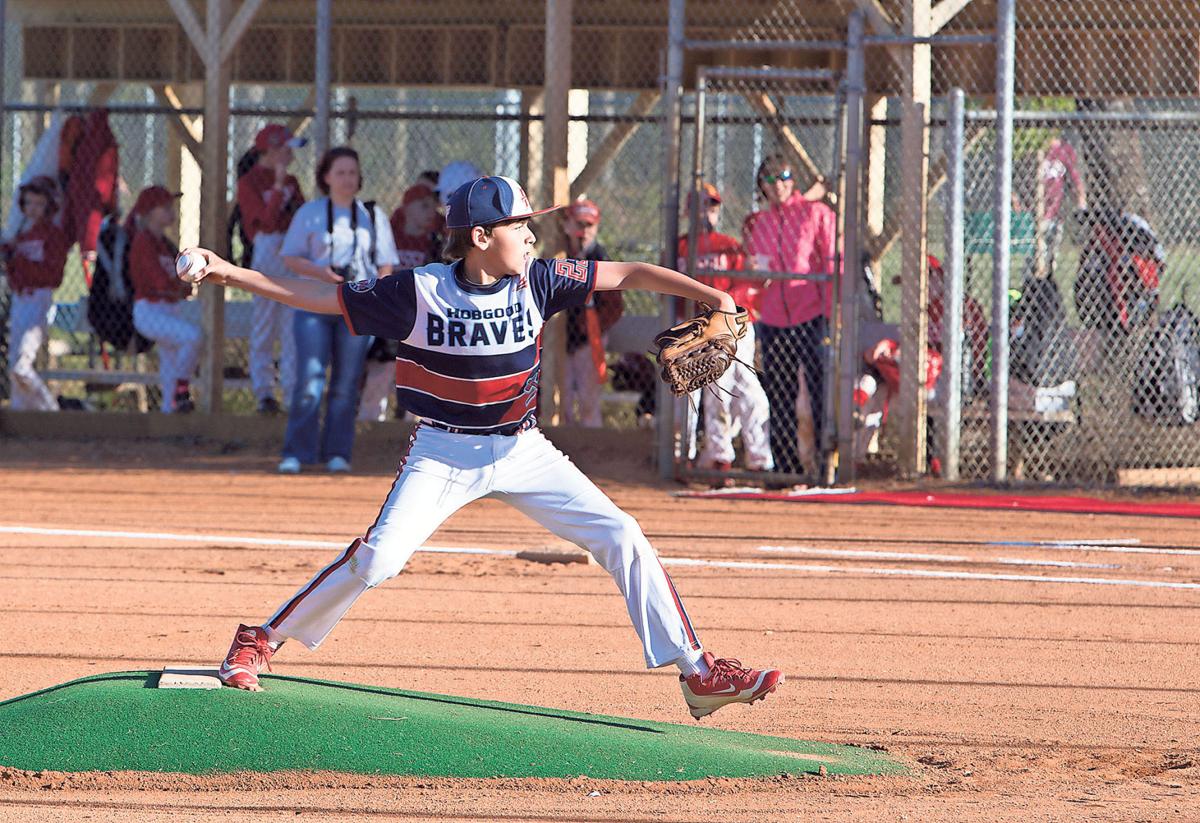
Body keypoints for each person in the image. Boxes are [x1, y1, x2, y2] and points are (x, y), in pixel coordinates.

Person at [183, 175, 784, 720]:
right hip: (442, 453)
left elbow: (628, 273)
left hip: (523, 449)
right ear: (479, 236)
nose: (530, 236)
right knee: (379, 559)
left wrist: (713, 297)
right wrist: (228, 272)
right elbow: (320, 297)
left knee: (621, 533)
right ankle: (262, 638)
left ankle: (698, 672)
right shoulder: (418, 290)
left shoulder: (540, 280)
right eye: (518, 225)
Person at [278, 146, 399, 473]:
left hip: (356, 306)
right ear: (326, 177)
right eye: (340, 172)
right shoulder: (310, 213)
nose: (347, 179)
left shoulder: (372, 214)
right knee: (310, 379)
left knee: (346, 383)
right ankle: (298, 452)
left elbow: (386, 262)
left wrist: (376, 293)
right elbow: (290, 257)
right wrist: (321, 272)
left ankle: (338, 453)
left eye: (352, 172)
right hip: (315, 302)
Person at [744, 155, 838, 477]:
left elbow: (831, 262)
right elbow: (757, 268)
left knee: (819, 392)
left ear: (793, 180)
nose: (778, 185)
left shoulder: (815, 213)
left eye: (783, 177)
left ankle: (824, 467)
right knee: (779, 394)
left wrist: (831, 310)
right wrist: (757, 273)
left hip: (811, 314)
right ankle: (786, 468)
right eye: (770, 180)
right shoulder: (761, 222)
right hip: (773, 318)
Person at [677, 183, 772, 472]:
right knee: (703, 391)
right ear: (688, 212)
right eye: (700, 207)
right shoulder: (680, 247)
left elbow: (746, 288)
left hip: (732, 325)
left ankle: (757, 459)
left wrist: (724, 313)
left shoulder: (729, 245)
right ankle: (707, 457)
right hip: (694, 326)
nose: (706, 213)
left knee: (748, 392)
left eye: (712, 207)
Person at [236, 124, 307, 415]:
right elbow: (264, 222)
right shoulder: (249, 182)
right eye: (286, 148)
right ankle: (264, 392)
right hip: (266, 251)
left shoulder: (292, 181)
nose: (290, 154)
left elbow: (300, 219)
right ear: (271, 150)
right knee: (264, 325)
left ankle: (291, 393)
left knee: (291, 327)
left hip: (291, 251)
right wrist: (277, 186)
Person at [358, 182, 441, 422]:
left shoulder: (435, 242)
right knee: (380, 371)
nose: (431, 212)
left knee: (419, 373)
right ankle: (370, 422)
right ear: (407, 208)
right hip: (390, 314)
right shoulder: (391, 236)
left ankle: (410, 428)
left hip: (419, 316)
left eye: (432, 207)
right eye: (423, 206)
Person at [127, 186, 201, 414]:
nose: (171, 211)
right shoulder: (143, 241)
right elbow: (160, 282)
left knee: (171, 362)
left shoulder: (164, 244)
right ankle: (182, 388)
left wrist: (180, 287)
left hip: (169, 309)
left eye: (171, 206)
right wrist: (178, 287)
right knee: (193, 337)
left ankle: (169, 411)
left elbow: (178, 283)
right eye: (165, 207)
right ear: (149, 212)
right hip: (150, 310)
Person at [3, 176, 70, 411]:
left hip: (39, 299)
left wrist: (18, 261)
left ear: (50, 206)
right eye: (29, 203)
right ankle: (21, 413)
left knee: (21, 367)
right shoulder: (22, 235)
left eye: (39, 204)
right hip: (20, 299)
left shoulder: (53, 235)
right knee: (14, 366)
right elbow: (15, 273)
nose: (33, 209)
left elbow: (53, 277)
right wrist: (9, 260)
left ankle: (51, 411)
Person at [559, 199, 622, 427]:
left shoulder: (599, 257)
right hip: (559, 337)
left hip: (588, 338)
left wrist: (592, 327)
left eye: (589, 225)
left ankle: (591, 442)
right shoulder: (559, 254)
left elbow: (615, 306)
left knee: (589, 400)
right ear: (567, 225)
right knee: (561, 400)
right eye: (579, 224)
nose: (583, 231)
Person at [1032, 134, 1086, 278]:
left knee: (1052, 245)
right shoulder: (1036, 148)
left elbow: (1074, 175)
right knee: (1038, 245)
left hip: (1056, 208)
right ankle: (1038, 273)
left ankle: (1048, 274)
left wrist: (1080, 195)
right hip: (1037, 209)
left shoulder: (1064, 150)